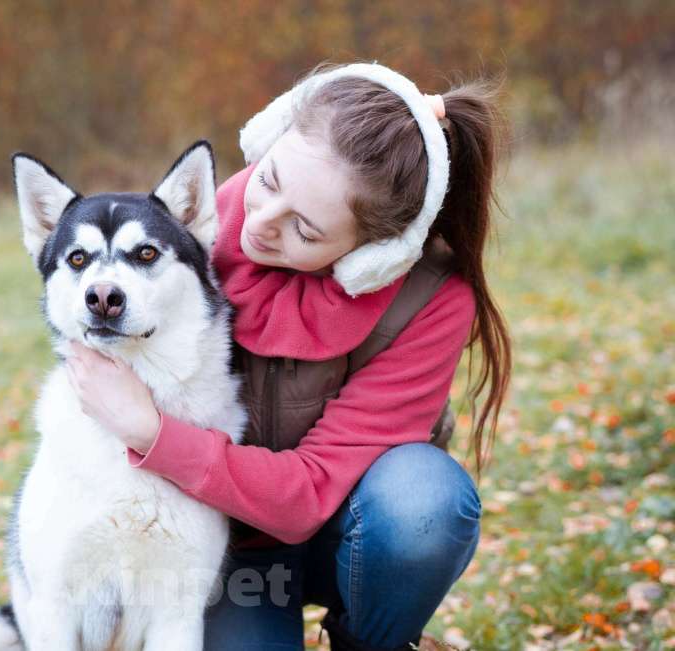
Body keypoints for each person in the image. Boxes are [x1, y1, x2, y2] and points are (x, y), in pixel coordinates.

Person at [65, 61, 512, 650]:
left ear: (375, 254)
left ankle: (366, 641)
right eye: (269, 180)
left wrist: (152, 432)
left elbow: (310, 491)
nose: (258, 224)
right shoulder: (184, 241)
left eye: (303, 229)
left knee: (423, 501)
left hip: (350, 536)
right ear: (268, 136)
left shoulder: (430, 300)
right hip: (218, 549)